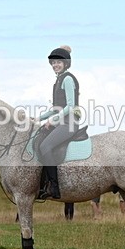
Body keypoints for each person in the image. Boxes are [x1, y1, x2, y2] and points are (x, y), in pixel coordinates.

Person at [37, 45, 81, 200]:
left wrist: (52, 121)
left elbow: (70, 106)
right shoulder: (58, 80)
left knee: (45, 146)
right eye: (53, 62)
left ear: (66, 63)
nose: (55, 65)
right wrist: (36, 119)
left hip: (69, 123)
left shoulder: (68, 79)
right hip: (61, 122)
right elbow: (56, 109)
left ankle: (54, 188)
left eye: (58, 62)